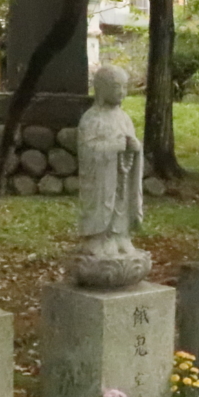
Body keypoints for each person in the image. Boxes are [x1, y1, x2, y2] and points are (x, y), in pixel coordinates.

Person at [77, 65, 144, 258]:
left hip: (121, 178)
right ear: (103, 89)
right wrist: (115, 146)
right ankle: (98, 238)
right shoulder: (91, 119)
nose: (122, 92)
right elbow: (88, 151)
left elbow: (132, 146)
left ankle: (120, 235)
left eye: (125, 87)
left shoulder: (124, 118)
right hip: (101, 182)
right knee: (104, 202)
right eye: (117, 87)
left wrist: (135, 147)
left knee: (121, 203)